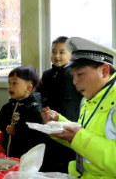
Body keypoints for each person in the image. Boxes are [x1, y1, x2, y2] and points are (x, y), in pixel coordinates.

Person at [42, 37, 116, 178]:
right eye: (73, 75)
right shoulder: (90, 98)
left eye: (80, 74)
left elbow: (82, 138)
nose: (75, 81)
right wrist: (59, 122)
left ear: (104, 71)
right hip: (84, 171)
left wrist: (78, 138)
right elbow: (84, 133)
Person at [36, 36, 82, 173]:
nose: (57, 56)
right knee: (49, 164)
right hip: (48, 130)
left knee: (66, 165)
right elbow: (38, 95)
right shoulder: (46, 74)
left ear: (71, 55)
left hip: (68, 129)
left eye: (62, 52)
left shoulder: (75, 74)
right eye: (53, 51)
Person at [0, 66, 51, 161]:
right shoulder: (7, 107)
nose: (10, 86)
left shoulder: (33, 108)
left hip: (27, 159)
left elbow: (38, 132)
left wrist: (18, 130)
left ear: (29, 88)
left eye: (15, 83)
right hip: (8, 156)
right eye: (9, 83)